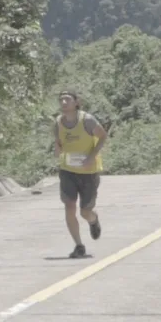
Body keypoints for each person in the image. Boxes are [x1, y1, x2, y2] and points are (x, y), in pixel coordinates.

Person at [53, 91, 107, 259]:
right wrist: (57, 150)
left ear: (77, 102)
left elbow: (103, 136)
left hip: (88, 172)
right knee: (69, 206)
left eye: (67, 99)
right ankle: (79, 245)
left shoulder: (87, 120)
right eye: (61, 99)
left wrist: (91, 157)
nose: (63, 102)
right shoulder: (58, 123)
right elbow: (58, 144)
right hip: (67, 170)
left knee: (85, 211)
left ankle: (93, 220)